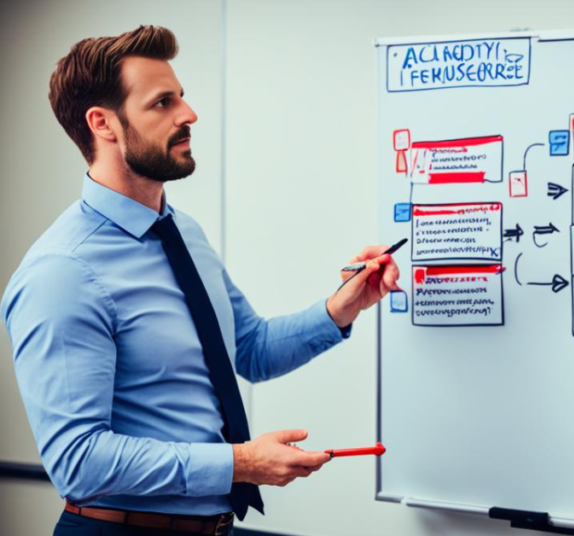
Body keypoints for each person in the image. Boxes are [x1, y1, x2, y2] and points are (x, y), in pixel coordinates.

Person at [1, 25, 399, 536]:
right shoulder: (62, 272)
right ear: (103, 123)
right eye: (162, 103)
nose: (189, 115)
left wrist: (342, 306)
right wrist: (237, 464)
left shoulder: (182, 232)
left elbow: (249, 349)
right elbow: (77, 460)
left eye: (182, 98)